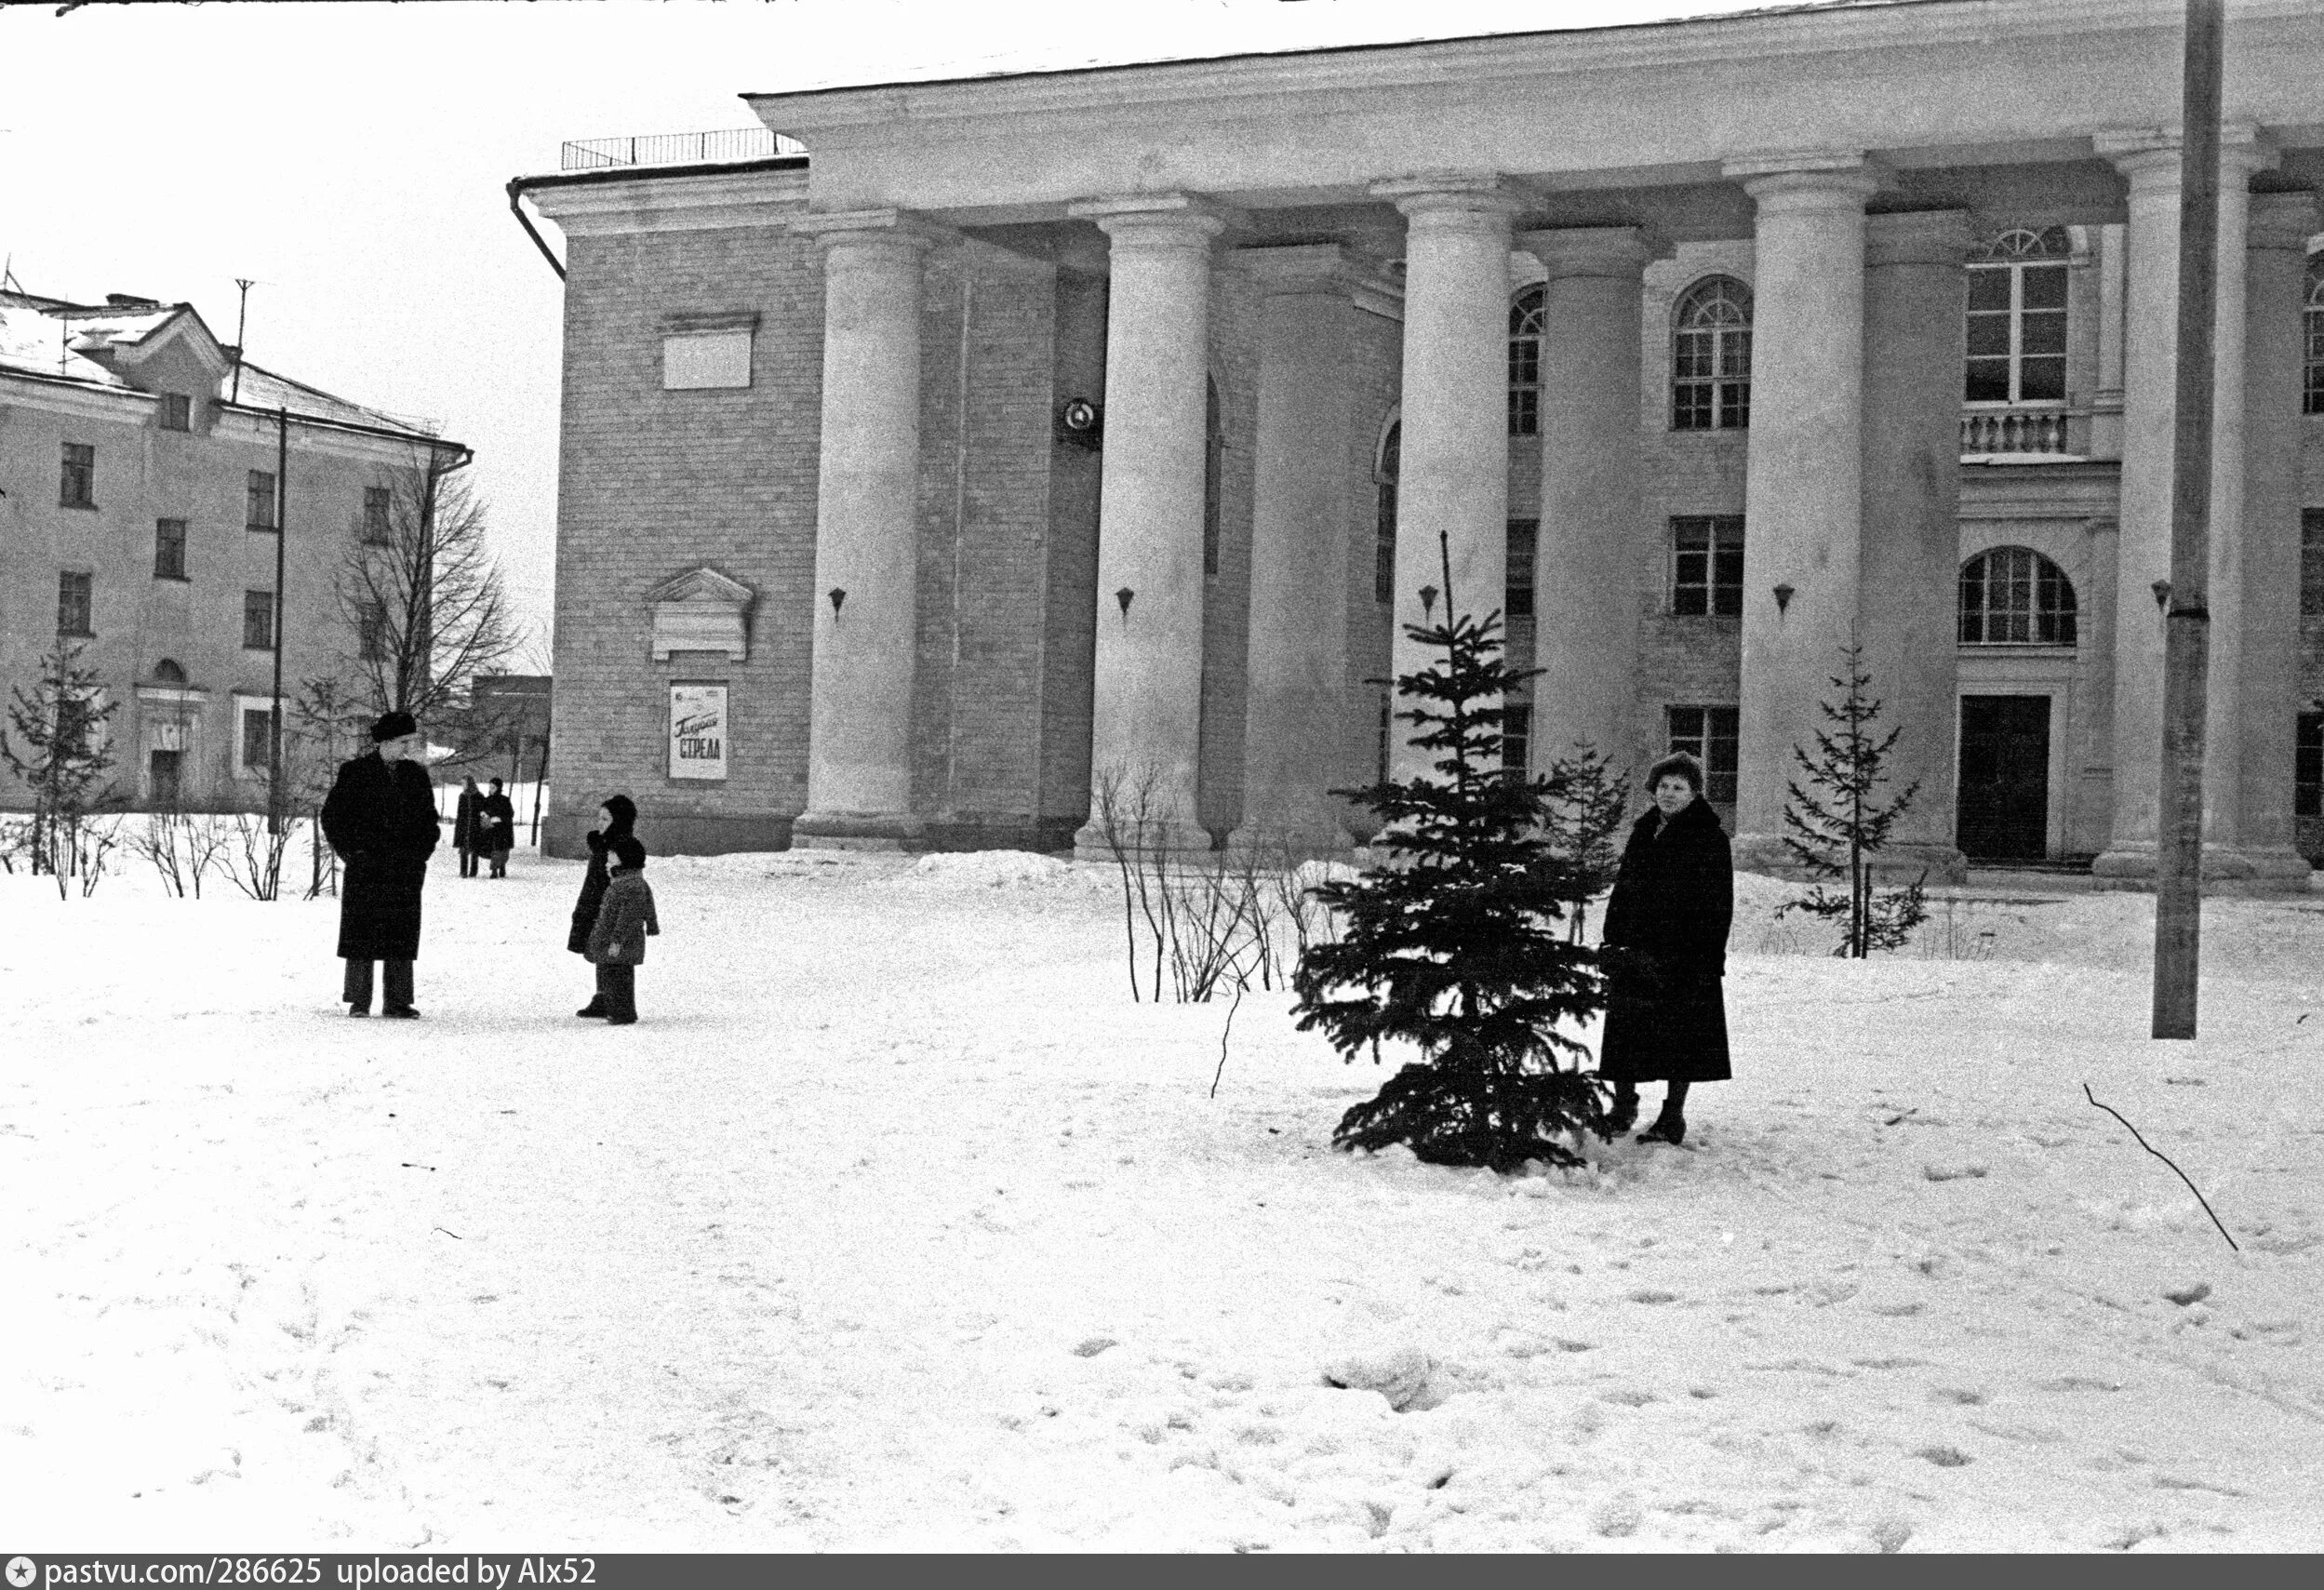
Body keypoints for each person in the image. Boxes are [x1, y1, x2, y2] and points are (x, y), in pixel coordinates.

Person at [1596, 751, 1734, 1145]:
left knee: (1682, 1038)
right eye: (1663, 787)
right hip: (1635, 950)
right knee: (1625, 1029)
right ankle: (1623, 1107)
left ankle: (1672, 1117)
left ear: (1694, 793)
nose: (1669, 794)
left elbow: (1718, 904)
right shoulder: (1643, 831)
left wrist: (1704, 957)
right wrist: (1612, 941)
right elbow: (1623, 890)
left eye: (1678, 787)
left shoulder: (1709, 838)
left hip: (1685, 956)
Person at [320, 711, 441, 1019]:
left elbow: (429, 821)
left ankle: (398, 1001)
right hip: (367, 868)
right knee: (362, 932)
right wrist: (352, 853)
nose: (408, 748)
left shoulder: (415, 775)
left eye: (410, 741)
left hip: (404, 869)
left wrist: (419, 857)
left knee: (400, 932)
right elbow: (333, 817)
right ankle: (359, 1000)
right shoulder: (355, 773)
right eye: (404, 741)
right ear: (386, 742)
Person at [568, 794, 638, 1017]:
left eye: (606, 819)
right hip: (595, 903)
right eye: (599, 817)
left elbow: (627, 882)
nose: (599, 822)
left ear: (619, 821)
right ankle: (603, 997)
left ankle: (619, 1003)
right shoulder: (602, 844)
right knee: (600, 950)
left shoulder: (623, 847)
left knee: (616, 955)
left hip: (613, 907)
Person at [583, 835, 659, 1025]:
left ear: (625, 860)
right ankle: (614, 1008)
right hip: (612, 941)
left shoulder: (631, 886)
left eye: (611, 859)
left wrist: (617, 941)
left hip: (622, 943)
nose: (607, 864)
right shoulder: (623, 882)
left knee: (620, 978)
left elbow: (629, 918)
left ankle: (623, 1012)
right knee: (612, 975)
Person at [481, 778, 516, 878]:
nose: (491, 789)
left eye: (493, 788)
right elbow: (483, 811)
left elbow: (510, 813)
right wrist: (483, 815)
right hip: (491, 829)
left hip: (503, 830)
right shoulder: (487, 800)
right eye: (490, 787)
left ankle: (501, 866)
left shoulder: (504, 800)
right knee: (495, 850)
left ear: (498, 788)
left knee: (503, 850)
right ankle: (494, 870)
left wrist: (499, 818)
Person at [452, 775, 484, 879]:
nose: (462, 785)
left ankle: (473, 871)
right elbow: (460, 813)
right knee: (463, 849)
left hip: (475, 826)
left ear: (469, 783)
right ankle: (463, 871)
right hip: (463, 826)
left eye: (464, 783)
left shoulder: (479, 796)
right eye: (462, 783)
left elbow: (483, 811)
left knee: (475, 849)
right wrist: (459, 826)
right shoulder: (462, 796)